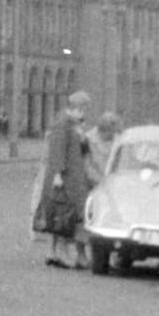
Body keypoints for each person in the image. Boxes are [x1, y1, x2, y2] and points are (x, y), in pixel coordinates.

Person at [33, 91, 92, 268]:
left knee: (63, 215)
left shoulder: (74, 125)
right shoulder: (62, 125)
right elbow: (58, 150)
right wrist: (58, 174)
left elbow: (82, 150)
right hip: (66, 178)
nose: (84, 113)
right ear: (75, 108)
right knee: (64, 215)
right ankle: (61, 253)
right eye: (83, 109)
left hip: (73, 176)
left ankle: (56, 252)